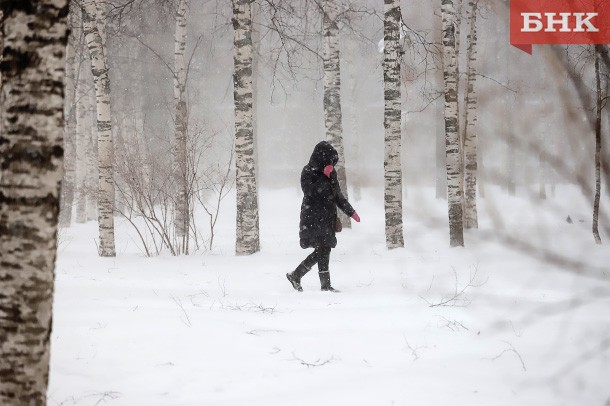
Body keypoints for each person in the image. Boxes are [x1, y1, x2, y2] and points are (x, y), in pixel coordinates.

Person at [286, 141, 360, 292]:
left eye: (332, 161)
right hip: (312, 217)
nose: (331, 164)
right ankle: (322, 285)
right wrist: (324, 178)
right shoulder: (308, 171)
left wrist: (351, 211)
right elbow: (310, 192)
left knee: (324, 249)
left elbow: (337, 195)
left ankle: (297, 275)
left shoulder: (331, 173)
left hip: (327, 218)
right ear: (321, 158)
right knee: (323, 249)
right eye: (328, 160)